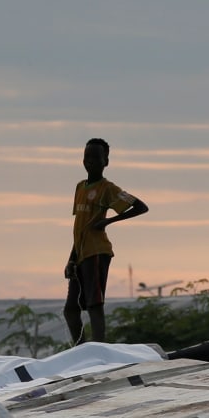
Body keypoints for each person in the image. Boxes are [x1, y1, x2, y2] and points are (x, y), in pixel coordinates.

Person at [63, 138, 149, 345]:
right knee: (70, 310)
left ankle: (99, 348)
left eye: (96, 157)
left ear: (106, 161)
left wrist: (109, 221)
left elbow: (141, 206)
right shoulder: (80, 187)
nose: (90, 161)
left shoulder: (107, 188)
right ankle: (80, 348)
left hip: (97, 252)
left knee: (94, 304)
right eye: (87, 156)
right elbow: (79, 228)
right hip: (81, 253)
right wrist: (70, 260)